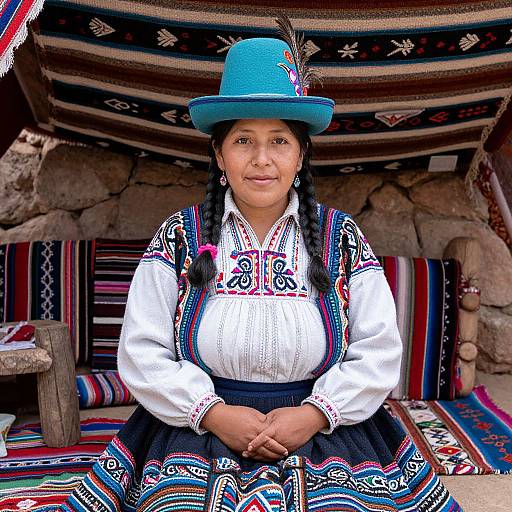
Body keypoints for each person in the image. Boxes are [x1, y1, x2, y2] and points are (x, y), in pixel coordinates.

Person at [61, 25, 462, 512]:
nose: (262, 159)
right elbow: (142, 350)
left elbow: (378, 350)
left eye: (279, 141)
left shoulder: (341, 239)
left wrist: (314, 414)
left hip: (322, 432)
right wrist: (213, 414)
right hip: (198, 429)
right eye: (243, 140)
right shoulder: (180, 237)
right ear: (219, 153)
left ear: (301, 155)